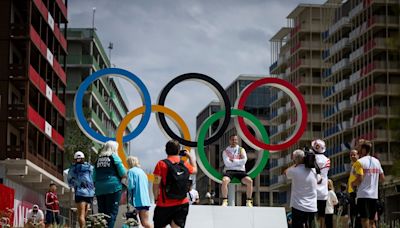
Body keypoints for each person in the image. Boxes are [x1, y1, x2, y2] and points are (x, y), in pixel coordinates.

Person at [153, 140, 197, 228]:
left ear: (166, 150)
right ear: (178, 150)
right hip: (182, 203)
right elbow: (195, 170)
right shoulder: (184, 163)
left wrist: (156, 198)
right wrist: (190, 157)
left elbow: (156, 184)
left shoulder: (161, 164)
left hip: (164, 203)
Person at [93, 140, 127, 228]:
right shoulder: (114, 157)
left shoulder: (98, 160)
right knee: (111, 213)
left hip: (99, 188)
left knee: (102, 214)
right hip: (113, 187)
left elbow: (93, 176)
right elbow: (123, 173)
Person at [351, 139, 385, 228]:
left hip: (363, 195)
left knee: (364, 219)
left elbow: (360, 178)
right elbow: (382, 178)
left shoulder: (359, 162)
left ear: (363, 150)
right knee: (372, 221)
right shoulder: (377, 161)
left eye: (359, 147)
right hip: (374, 195)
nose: (357, 149)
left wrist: (353, 184)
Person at [285, 149, 318, 228]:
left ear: (295, 159)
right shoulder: (313, 170)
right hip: (311, 206)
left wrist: (294, 164)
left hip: (298, 205)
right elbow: (319, 179)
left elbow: (285, 172)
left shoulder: (294, 170)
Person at [221, 134, 253, 207]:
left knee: (249, 181)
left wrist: (233, 161)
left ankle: (249, 201)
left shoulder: (241, 149)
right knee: (224, 181)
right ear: (229, 141)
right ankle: (225, 200)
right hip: (230, 171)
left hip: (241, 171)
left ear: (237, 141)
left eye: (235, 140)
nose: (234, 141)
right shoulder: (225, 151)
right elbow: (227, 163)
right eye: (232, 140)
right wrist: (239, 161)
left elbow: (244, 161)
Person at [67, 151, 95, 228]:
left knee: (81, 215)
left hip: (80, 193)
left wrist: (75, 184)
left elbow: (69, 181)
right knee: (85, 214)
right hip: (90, 193)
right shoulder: (90, 167)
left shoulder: (73, 168)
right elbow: (94, 178)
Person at [126, 156, 152, 228]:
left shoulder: (131, 171)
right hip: (145, 200)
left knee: (132, 223)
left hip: (136, 201)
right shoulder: (142, 172)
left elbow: (130, 185)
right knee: (145, 223)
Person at [312, 139, 331, 228]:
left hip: (312, 190)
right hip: (323, 191)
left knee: (311, 215)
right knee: (322, 215)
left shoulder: (310, 159)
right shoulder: (327, 160)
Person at [347, 149, 360, 228]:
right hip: (351, 192)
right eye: (351, 155)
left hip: (356, 192)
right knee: (352, 212)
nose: (352, 156)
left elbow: (359, 177)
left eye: (354, 155)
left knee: (356, 212)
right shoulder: (353, 165)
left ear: (358, 155)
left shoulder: (358, 164)